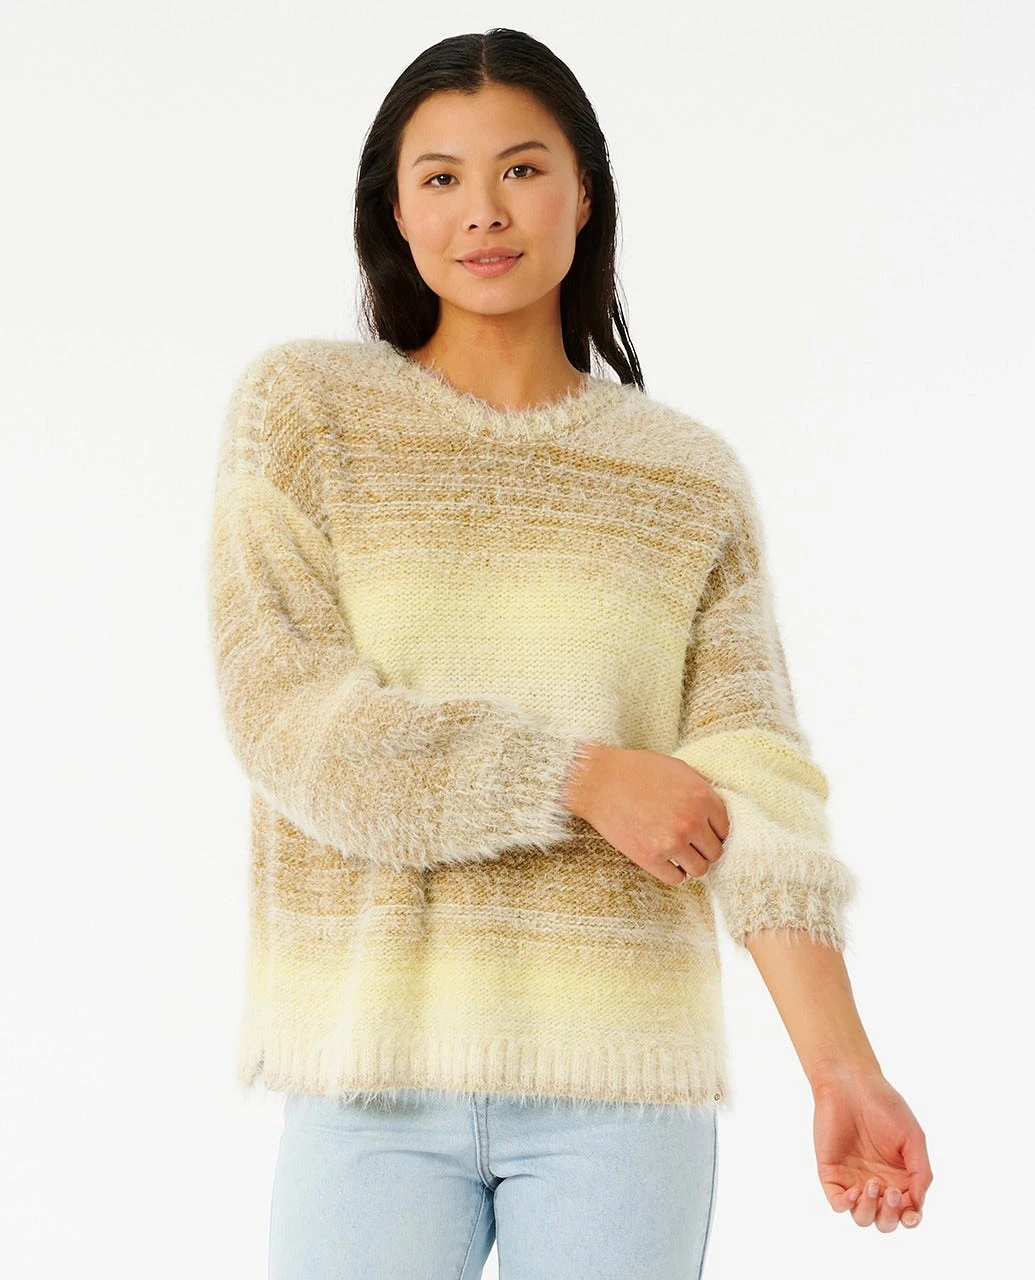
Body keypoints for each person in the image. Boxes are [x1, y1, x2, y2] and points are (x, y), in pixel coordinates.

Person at [206, 27, 932, 1280]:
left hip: (622, 1086)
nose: (483, 211)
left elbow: (755, 780)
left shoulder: (685, 476)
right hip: (372, 1074)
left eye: (522, 169)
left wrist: (842, 1066)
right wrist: (582, 776)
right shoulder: (305, 414)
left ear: (583, 191)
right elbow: (294, 723)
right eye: (440, 176)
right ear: (395, 207)